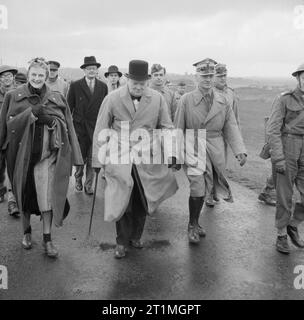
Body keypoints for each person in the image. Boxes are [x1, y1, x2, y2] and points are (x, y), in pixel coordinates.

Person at [92, 60, 179, 259]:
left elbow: (166, 126)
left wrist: (172, 151)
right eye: (134, 84)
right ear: (127, 80)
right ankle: (121, 242)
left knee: (142, 198)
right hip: (119, 155)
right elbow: (101, 128)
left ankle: (136, 236)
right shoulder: (112, 98)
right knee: (122, 198)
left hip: (146, 156)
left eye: (142, 84)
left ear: (147, 82)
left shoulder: (157, 99)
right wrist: (97, 161)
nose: (138, 87)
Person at [0, 57, 83, 258]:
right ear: (28, 75)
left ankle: (47, 239)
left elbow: (68, 126)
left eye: (41, 75)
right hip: (20, 158)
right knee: (24, 196)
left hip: (48, 157)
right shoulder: (13, 96)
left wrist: (77, 158)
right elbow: (6, 127)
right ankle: (26, 233)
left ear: (46, 77)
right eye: (33, 74)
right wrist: (30, 114)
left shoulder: (56, 97)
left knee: (48, 198)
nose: (37, 78)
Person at [174, 58, 247, 244]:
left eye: (210, 75)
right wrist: (174, 153)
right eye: (203, 76)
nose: (207, 79)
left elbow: (231, 125)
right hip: (193, 144)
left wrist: (239, 150)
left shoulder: (223, 100)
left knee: (207, 187)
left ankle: (196, 223)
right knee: (197, 185)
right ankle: (192, 225)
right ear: (196, 78)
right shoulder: (186, 100)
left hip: (215, 146)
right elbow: (177, 128)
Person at [267, 63, 304, 254]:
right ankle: (281, 235)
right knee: (284, 195)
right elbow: (273, 129)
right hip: (287, 146)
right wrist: (279, 158)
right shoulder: (284, 100)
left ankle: (293, 224)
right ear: (298, 78)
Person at [67, 56, 108, 195]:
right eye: (89, 68)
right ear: (84, 70)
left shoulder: (103, 87)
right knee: (80, 157)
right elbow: (69, 107)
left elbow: (106, 109)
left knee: (92, 157)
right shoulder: (75, 85)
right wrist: (69, 127)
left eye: (94, 68)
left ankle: (88, 184)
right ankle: (78, 179)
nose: (92, 71)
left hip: (96, 127)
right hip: (79, 128)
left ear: (97, 70)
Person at [0, 65, 18, 204]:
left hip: (14, 134)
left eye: (9, 76)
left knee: (13, 166)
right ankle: (1, 189)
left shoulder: (18, 93)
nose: (6, 78)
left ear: (13, 77)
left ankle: (13, 201)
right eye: (3, 76)